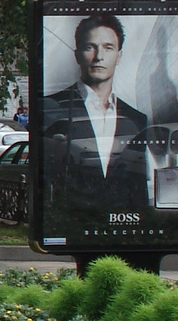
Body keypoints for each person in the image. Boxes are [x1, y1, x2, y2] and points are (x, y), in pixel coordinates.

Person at [39, 13, 150, 222]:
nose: (99, 56)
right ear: (77, 54)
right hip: (72, 220)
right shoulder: (50, 108)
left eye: (108, 48)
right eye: (90, 47)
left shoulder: (137, 119)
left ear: (119, 56)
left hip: (121, 223)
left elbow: (137, 181)